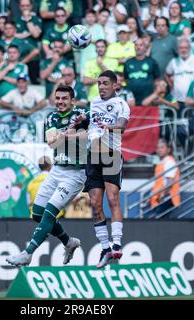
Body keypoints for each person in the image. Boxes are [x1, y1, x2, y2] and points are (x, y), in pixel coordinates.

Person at [6, 85, 87, 267]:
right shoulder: (51, 117)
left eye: (64, 98)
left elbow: (86, 135)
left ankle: (28, 253)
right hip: (57, 170)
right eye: (57, 98)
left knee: (50, 212)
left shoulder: (82, 113)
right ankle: (68, 242)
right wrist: (63, 136)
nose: (60, 102)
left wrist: (67, 135)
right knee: (37, 214)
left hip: (75, 173)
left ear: (72, 100)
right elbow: (51, 143)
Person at [83, 70, 130, 268]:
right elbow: (90, 125)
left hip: (111, 154)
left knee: (112, 199)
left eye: (104, 83)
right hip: (92, 156)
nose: (101, 87)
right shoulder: (93, 103)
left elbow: (122, 127)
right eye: (99, 83)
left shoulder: (122, 105)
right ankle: (105, 248)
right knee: (94, 204)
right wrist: (81, 122)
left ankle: (117, 243)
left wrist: (108, 127)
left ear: (114, 86)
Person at [164, 38, 194, 113]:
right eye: (181, 48)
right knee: (178, 122)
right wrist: (170, 84)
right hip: (176, 99)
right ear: (178, 49)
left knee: (193, 122)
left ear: (189, 48)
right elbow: (166, 74)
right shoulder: (174, 61)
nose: (183, 50)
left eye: (186, 47)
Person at [124, 37, 161, 107]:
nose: (138, 47)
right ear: (134, 47)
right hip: (131, 100)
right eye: (136, 45)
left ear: (145, 47)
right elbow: (126, 79)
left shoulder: (152, 62)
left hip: (147, 99)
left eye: (141, 45)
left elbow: (157, 80)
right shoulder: (128, 62)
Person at [148, 138, 180, 216]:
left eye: (162, 147)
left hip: (166, 198)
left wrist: (161, 196)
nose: (159, 150)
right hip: (160, 198)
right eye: (158, 148)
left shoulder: (169, 162)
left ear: (168, 149)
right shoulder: (162, 163)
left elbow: (170, 182)